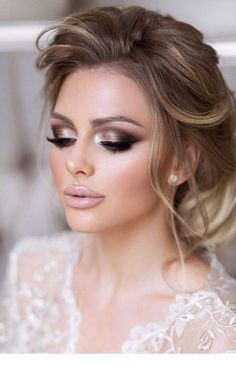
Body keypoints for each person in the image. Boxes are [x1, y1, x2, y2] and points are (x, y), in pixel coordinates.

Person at [0, 5, 236, 353]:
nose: (75, 162)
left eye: (113, 141)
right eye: (63, 136)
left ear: (182, 163)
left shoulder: (213, 334)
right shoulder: (32, 271)